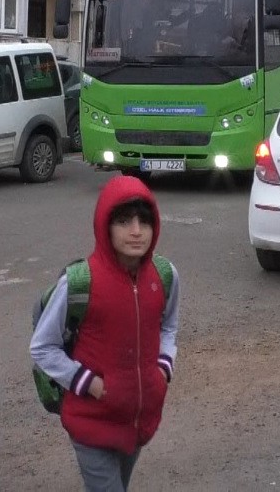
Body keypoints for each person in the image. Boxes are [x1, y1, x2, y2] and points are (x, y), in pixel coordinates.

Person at [30, 176, 181, 492]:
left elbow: (168, 325)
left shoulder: (164, 276)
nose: (136, 231)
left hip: (137, 420)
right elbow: (43, 347)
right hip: (91, 420)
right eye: (124, 221)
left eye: (144, 221)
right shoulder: (79, 282)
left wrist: (163, 368)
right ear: (105, 226)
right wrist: (90, 384)